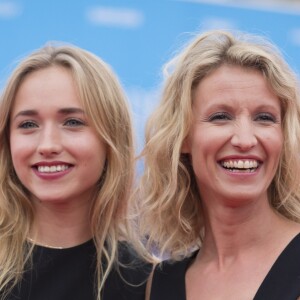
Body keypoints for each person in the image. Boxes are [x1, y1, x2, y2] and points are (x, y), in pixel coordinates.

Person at [135, 30, 300, 299]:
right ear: (183, 138)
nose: (245, 139)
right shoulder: (160, 284)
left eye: (265, 118)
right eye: (221, 116)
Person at [0, 43, 150, 300]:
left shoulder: (148, 283)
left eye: (72, 122)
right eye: (28, 124)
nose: (48, 145)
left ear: (111, 137)